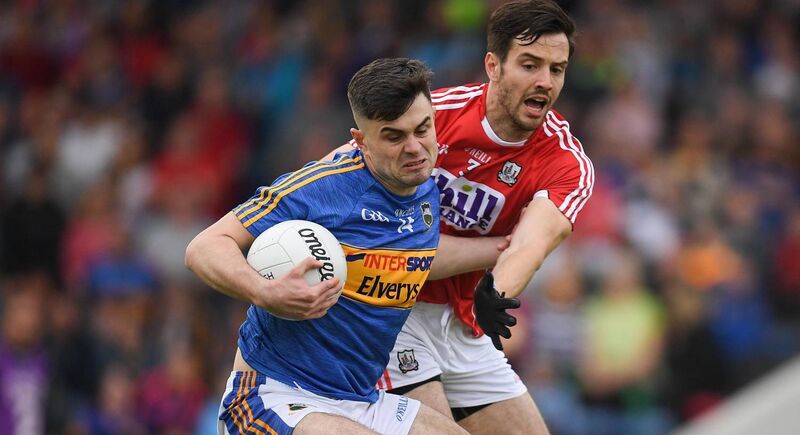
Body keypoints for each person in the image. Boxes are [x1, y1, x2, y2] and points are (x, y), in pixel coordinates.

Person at [186, 58, 505, 435]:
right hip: (272, 394)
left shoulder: (426, 188)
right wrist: (265, 291)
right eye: (394, 136)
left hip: (358, 399)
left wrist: (503, 250)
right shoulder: (323, 188)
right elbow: (204, 246)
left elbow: (418, 256)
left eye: (423, 129)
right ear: (360, 141)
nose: (415, 148)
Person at [377, 2, 593, 434]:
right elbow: (345, 170)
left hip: (463, 323)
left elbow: (536, 236)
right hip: (390, 305)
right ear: (493, 65)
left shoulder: (566, 161)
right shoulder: (435, 116)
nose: (544, 82)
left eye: (557, 69)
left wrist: (499, 288)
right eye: (530, 65)